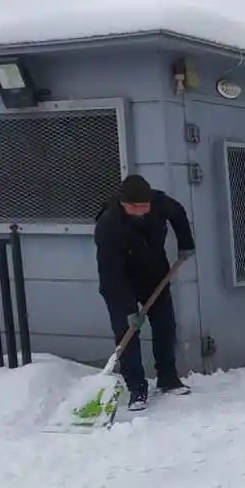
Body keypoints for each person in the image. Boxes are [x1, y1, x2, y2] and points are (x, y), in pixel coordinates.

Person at [94, 174, 196, 411]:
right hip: (120, 281)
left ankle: (168, 378)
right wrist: (127, 309)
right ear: (123, 203)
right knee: (127, 332)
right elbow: (110, 273)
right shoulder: (109, 225)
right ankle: (137, 389)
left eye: (144, 205)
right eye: (134, 207)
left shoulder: (159, 202)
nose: (140, 211)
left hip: (154, 274)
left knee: (165, 325)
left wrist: (185, 243)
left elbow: (178, 213)